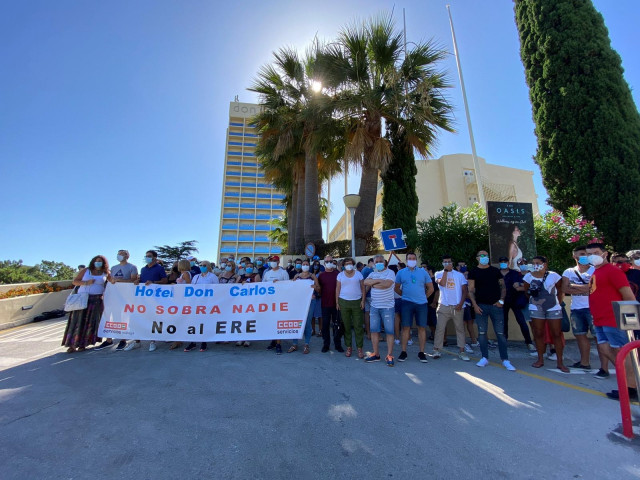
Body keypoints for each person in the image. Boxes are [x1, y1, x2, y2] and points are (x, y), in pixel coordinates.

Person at [585, 243, 638, 400]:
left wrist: (630, 321)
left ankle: (631, 388)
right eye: (589, 254)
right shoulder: (596, 271)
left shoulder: (613, 271)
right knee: (605, 349)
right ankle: (629, 380)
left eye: (595, 252)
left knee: (622, 352)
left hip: (613, 318)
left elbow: (628, 295)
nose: (592, 256)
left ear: (605, 253)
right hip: (600, 319)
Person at [468, 250, 515, 371]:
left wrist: (501, 301)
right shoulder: (473, 272)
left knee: (500, 333)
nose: (484, 257)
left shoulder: (495, 271)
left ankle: (505, 359)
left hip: (496, 306)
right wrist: (475, 305)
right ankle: (484, 357)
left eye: (486, 255)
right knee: (482, 333)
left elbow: (503, 287)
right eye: (482, 255)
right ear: (477, 258)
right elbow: (471, 290)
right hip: (481, 306)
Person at [523, 256, 568, 372]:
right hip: (536, 307)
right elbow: (527, 292)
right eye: (533, 263)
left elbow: (560, 290)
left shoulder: (554, 275)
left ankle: (560, 362)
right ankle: (540, 359)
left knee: (556, 334)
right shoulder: (528, 276)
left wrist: (558, 302)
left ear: (545, 264)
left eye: (538, 263)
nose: (535, 265)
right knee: (538, 333)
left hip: (553, 307)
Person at [62, 255, 110, 353]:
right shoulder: (86, 271)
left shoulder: (106, 273)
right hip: (83, 299)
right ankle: (72, 345)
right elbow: (75, 281)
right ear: (93, 262)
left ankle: (83, 344)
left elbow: (111, 282)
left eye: (100, 261)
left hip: (96, 300)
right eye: (96, 261)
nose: (98, 263)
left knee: (90, 323)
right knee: (78, 321)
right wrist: (86, 283)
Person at [561, 246, 597, 370]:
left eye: (586, 254)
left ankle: (605, 367)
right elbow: (565, 289)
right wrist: (586, 287)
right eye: (582, 254)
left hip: (592, 308)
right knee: (580, 335)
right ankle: (585, 363)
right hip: (576, 309)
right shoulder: (569, 271)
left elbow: (593, 288)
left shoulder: (594, 270)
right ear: (574, 256)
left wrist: (573, 286)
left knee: (598, 337)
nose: (585, 256)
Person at [95, 250, 138, 351]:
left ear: (127, 256)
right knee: (112, 317)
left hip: (126, 297)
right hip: (113, 297)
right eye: (118, 253)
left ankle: (123, 340)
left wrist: (120, 281)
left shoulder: (132, 267)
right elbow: (111, 280)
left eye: (122, 254)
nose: (119, 255)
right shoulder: (114, 268)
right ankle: (109, 340)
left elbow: (133, 281)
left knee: (124, 317)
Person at [394, 252, 434, 363]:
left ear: (416, 260)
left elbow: (430, 288)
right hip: (407, 303)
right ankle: (403, 352)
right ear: (406, 260)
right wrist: (404, 296)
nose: (412, 260)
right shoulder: (401, 273)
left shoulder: (423, 272)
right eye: (410, 258)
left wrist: (423, 297)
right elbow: (396, 288)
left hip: (421, 304)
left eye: (414, 258)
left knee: (422, 327)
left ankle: (421, 353)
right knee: (406, 327)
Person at [126, 250, 167, 352]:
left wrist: (153, 282)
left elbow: (165, 281)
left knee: (153, 319)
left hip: (155, 299)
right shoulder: (143, 269)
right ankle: (137, 341)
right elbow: (142, 280)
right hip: (143, 298)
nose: (147, 257)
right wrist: (138, 281)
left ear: (155, 258)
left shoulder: (160, 268)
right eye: (146, 256)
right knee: (138, 317)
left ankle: (152, 341)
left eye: (149, 256)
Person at [432, 255, 470, 361]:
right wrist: (445, 271)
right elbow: (442, 283)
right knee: (440, 328)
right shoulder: (438, 274)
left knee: (460, 329)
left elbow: (464, 291)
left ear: (452, 263)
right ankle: (436, 350)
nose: (447, 264)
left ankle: (462, 351)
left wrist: (461, 303)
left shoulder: (459, 275)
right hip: (443, 305)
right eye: (445, 262)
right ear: (442, 264)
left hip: (457, 306)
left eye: (449, 262)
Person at [364, 255, 397, 366]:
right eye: (376, 261)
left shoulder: (390, 272)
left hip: (387, 307)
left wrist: (374, 283)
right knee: (374, 331)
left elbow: (387, 284)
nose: (378, 263)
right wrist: (378, 281)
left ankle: (389, 355)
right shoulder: (372, 274)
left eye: (380, 261)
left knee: (389, 332)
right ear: (373, 263)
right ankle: (376, 354)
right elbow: (366, 282)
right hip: (374, 307)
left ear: (385, 262)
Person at [499, 255, 535, 353]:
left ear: (508, 263)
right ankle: (504, 341)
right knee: (503, 322)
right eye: (501, 261)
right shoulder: (496, 273)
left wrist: (519, 285)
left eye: (505, 261)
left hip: (516, 300)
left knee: (522, 322)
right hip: (502, 301)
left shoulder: (515, 273)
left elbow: (523, 285)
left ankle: (529, 342)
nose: (503, 263)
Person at [183, 260, 218, 352]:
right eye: (201, 265)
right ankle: (192, 342)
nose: (202, 266)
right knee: (194, 322)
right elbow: (192, 288)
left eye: (204, 265)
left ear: (208, 266)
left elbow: (217, 289)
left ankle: (204, 342)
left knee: (204, 323)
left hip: (207, 303)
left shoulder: (213, 276)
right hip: (196, 303)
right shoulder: (196, 277)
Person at [290, 259, 321, 354]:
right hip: (299, 302)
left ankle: (306, 344)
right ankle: (294, 344)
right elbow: (291, 288)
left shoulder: (313, 276)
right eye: (303, 264)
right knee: (296, 322)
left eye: (306, 264)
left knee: (307, 322)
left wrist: (315, 287)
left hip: (310, 302)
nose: (305, 265)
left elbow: (319, 289)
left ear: (309, 265)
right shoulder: (297, 276)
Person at [336, 257, 365, 359]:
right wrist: (337, 302)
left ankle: (359, 348)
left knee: (358, 326)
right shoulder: (340, 275)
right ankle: (349, 347)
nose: (349, 265)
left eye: (350, 263)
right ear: (343, 266)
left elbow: (363, 288)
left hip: (357, 302)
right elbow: (338, 289)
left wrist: (363, 300)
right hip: (344, 302)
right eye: (347, 263)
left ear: (353, 264)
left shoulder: (358, 274)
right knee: (347, 327)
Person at [262, 255, 290, 355]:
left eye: (274, 260)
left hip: (280, 302)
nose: (272, 262)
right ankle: (273, 341)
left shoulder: (283, 273)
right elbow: (263, 287)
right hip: (269, 302)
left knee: (279, 323)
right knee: (271, 322)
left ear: (278, 262)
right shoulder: (267, 273)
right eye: (271, 261)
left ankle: (278, 344)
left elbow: (288, 286)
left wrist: (279, 284)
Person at [317, 255, 343, 353]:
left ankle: (338, 344)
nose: (329, 263)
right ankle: (326, 344)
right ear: (324, 263)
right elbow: (319, 289)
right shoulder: (321, 275)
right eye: (327, 261)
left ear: (333, 262)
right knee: (325, 325)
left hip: (337, 304)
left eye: (330, 261)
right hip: (325, 304)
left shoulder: (338, 274)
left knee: (337, 325)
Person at [456, 261, 478, 348]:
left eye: (464, 265)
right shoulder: (456, 276)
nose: (463, 266)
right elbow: (464, 291)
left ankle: (474, 340)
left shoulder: (469, 275)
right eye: (460, 265)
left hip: (470, 303)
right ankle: (463, 343)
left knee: (470, 322)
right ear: (457, 267)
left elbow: (472, 289)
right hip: (463, 303)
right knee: (463, 323)